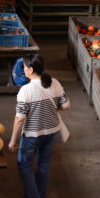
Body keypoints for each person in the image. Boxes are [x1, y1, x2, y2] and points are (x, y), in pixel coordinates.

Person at [8, 53, 71, 198]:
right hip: (52, 131)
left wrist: (13, 140)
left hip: (32, 135)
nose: (23, 69)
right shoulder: (54, 82)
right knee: (43, 165)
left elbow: (19, 119)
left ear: (30, 69)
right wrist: (52, 107)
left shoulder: (26, 90)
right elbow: (66, 105)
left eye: (24, 67)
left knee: (24, 166)